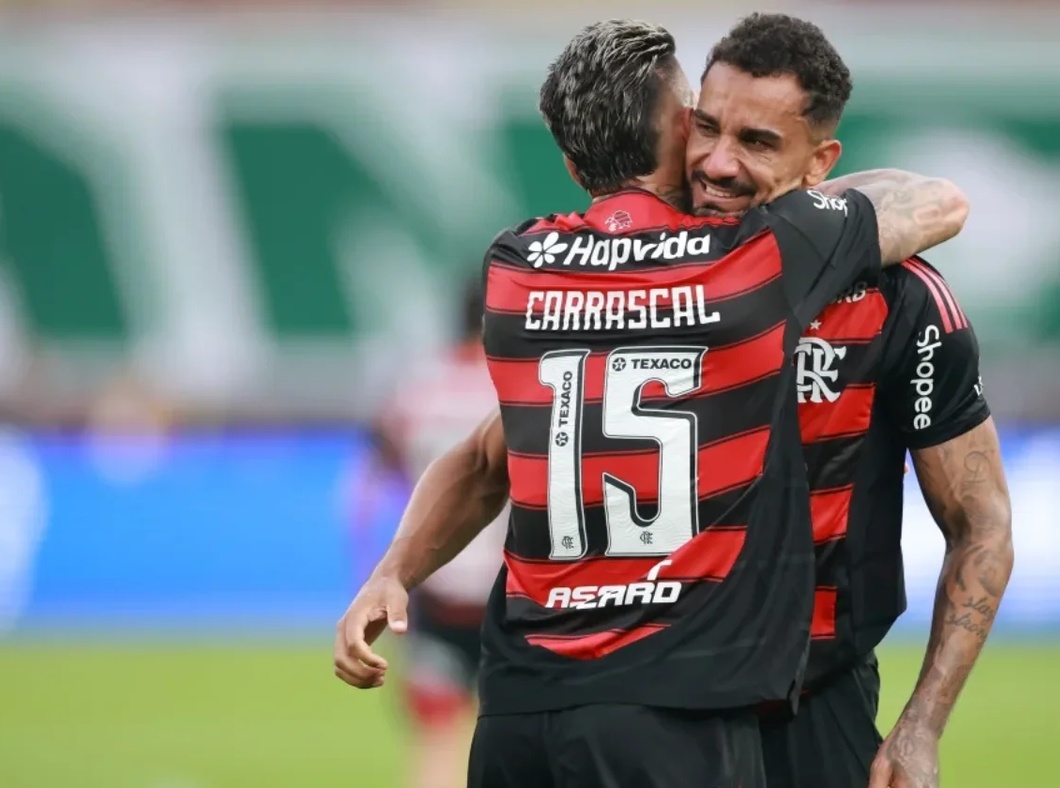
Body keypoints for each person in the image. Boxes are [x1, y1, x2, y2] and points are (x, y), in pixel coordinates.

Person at [333, 17, 969, 788]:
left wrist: (392, 572)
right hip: (672, 700)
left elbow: (481, 457)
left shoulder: (518, 267)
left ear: (571, 163)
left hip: (518, 708)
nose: (717, 156)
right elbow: (938, 204)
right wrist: (806, 202)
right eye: (700, 120)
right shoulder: (751, 261)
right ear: (677, 130)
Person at [686, 16, 1015, 788]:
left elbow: (982, 524)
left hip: (815, 705)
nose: (718, 163)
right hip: (647, 708)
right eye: (706, 127)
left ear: (819, 162)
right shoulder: (628, 270)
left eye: (758, 142)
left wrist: (921, 726)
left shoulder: (902, 300)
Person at [350, 281, 506, 788]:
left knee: (436, 739)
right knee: (519, 743)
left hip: (435, 587)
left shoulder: (420, 384)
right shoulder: (521, 381)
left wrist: (376, 569)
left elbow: (373, 478)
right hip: (512, 592)